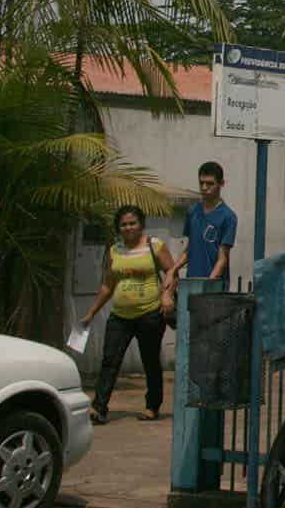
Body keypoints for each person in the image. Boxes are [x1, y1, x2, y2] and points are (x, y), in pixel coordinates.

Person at [80, 205, 176, 423]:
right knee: (109, 361)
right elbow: (107, 285)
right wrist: (91, 312)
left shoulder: (154, 245)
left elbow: (171, 270)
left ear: (141, 224)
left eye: (132, 223)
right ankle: (99, 408)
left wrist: (167, 295)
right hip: (119, 316)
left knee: (150, 361)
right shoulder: (115, 250)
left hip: (150, 314)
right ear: (118, 228)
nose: (128, 227)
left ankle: (152, 406)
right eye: (123, 224)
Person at [171, 159, 238, 287]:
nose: (204, 188)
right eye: (201, 183)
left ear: (221, 183)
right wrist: (173, 270)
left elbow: (223, 258)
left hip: (214, 287)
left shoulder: (228, 216)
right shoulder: (193, 211)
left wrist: (208, 283)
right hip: (191, 282)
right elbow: (189, 249)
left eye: (210, 183)